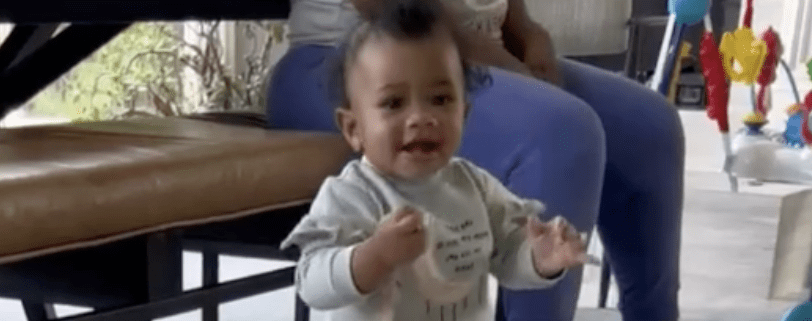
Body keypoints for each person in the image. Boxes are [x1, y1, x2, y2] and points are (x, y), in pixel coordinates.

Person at [267, 0, 685, 320]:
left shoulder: (472, 189)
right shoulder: (348, 197)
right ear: (351, 127)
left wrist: (525, 29)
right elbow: (314, 280)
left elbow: (509, 253)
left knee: (653, 127)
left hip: (466, 57)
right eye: (398, 108)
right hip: (349, 53)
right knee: (560, 133)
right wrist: (369, 259)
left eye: (448, 106)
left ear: (463, 113)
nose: (420, 121)